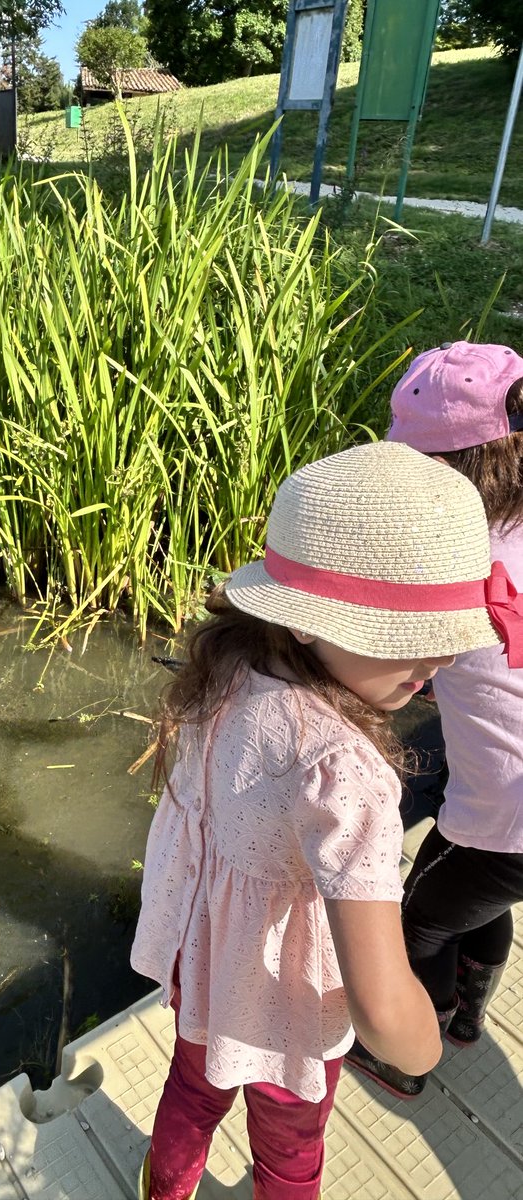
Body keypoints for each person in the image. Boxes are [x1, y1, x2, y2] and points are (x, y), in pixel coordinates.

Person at [130, 440, 520, 1200]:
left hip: (202, 958)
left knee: (192, 1090)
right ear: (306, 624)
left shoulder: (228, 667)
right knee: (289, 1154)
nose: (435, 661)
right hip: (288, 1009)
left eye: (445, 641)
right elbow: (383, 1012)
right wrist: (423, 1044)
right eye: (407, 638)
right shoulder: (348, 773)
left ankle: (164, 1190)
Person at [346, 340, 523, 1099]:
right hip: (510, 824)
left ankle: (410, 1052)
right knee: (478, 902)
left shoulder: (446, 561)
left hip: (503, 819)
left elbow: (388, 669)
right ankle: (469, 1019)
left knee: (416, 921)